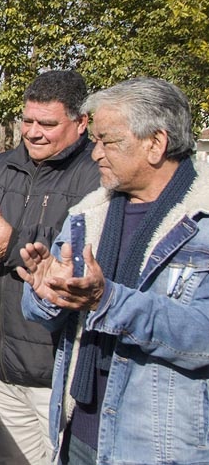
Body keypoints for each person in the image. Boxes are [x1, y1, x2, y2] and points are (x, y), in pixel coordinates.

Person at [19, 78, 208, 464]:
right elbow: (47, 316)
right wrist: (45, 292)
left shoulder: (201, 224)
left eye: (108, 141)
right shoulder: (88, 215)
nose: (95, 154)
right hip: (76, 429)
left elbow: (202, 337)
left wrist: (108, 301)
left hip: (156, 446)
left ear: (156, 143)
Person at [0, 70, 100, 464]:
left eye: (47, 123)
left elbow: (85, 252)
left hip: (57, 376)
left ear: (81, 123)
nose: (33, 132)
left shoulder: (99, 175)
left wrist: (11, 245)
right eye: (27, 120)